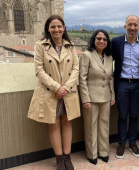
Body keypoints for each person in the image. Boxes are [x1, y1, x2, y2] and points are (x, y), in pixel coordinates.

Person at [28, 15, 80, 170]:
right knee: (54, 124)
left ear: (64, 28)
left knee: (67, 121)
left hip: (68, 92)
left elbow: (76, 68)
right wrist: (57, 87)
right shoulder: (40, 45)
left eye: (59, 26)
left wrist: (66, 87)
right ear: (48, 29)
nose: (56, 30)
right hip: (50, 91)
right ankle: (59, 159)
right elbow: (38, 70)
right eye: (53, 27)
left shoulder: (70, 46)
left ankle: (67, 157)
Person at [111, 15, 139, 159]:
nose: (132, 28)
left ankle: (132, 143)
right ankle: (121, 144)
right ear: (125, 26)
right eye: (130, 24)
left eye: (135, 25)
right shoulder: (116, 42)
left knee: (134, 115)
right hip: (121, 84)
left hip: (138, 84)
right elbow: (107, 60)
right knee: (122, 115)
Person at [79, 29, 115, 165]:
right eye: (99, 38)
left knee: (104, 126)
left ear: (107, 42)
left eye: (104, 39)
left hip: (106, 97)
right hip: (91, 97)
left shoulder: (109, 57)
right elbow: (82, 78)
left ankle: (103, 152)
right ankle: (92, 153)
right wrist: (85, 98)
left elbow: (111, 78)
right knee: (91, 126)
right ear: (94, 40)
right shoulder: (86, 55)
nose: (101, 41)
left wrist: (113, 95)